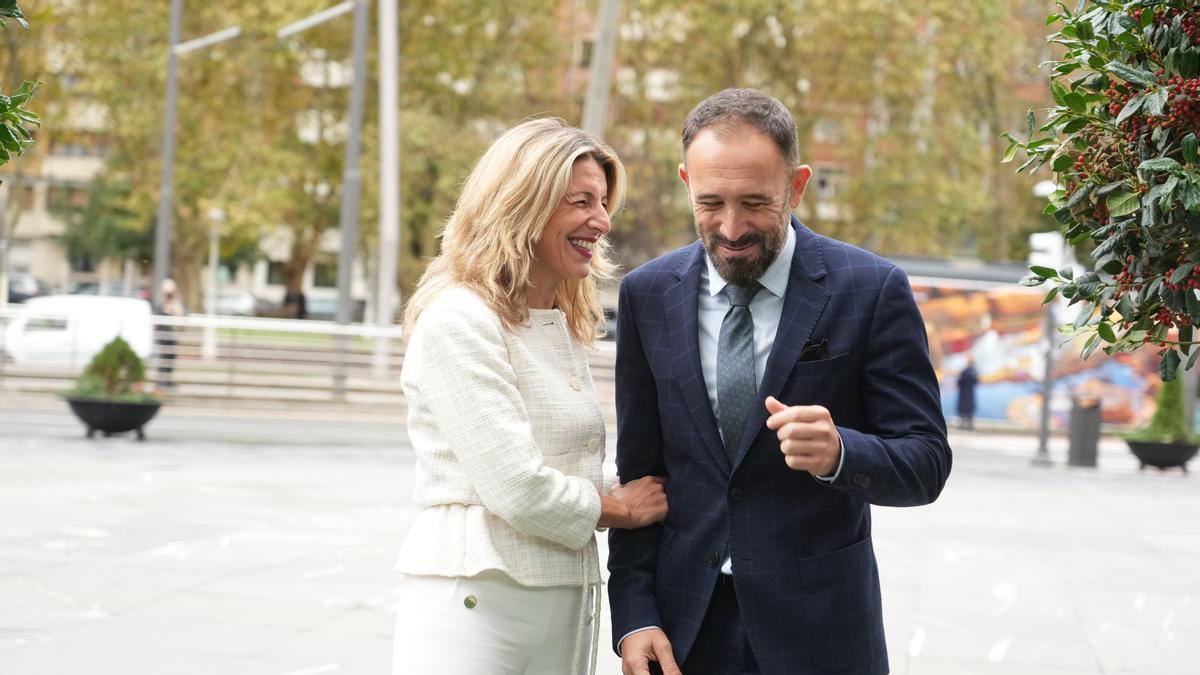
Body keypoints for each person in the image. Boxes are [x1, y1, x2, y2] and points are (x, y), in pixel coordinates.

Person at [608, 89, 953, 675]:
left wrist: (841, 453)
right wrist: (634, 615)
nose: (732, 227)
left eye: (754, 203)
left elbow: (926, 463)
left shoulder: (870, 290)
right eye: (710, 202)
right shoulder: (646, 295)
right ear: (686, 180)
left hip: (821, 630)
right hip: (682, 631)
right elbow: (642, 477)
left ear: (796, 186)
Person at [392, 117, 668, 675]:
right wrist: (621, 507)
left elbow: (567, 465)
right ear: (523, 205)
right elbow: (516, 485)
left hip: (558, 604)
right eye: (581, 201)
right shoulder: (459, 317)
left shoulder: (553, 324)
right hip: (477, 603)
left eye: (603, 201)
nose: (602, 220)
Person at [153, 278, 186, 389]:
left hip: (173, 336)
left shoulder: (177, 303)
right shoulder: (160, 304)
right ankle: (161, 381)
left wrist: (175, 307)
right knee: (163, 358)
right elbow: (158, 315)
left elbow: (182, 315)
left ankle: (167, 380)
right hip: (162, 336)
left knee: (171, 357)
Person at [957, 357, 979, 430]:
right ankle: (968, 425)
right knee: (969, 411)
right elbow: (976, 381)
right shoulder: (973, 372)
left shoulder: (964, 371)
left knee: (964, 410)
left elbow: (959, 382)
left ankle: (964, 425)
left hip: (964, 394)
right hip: (969, 394)